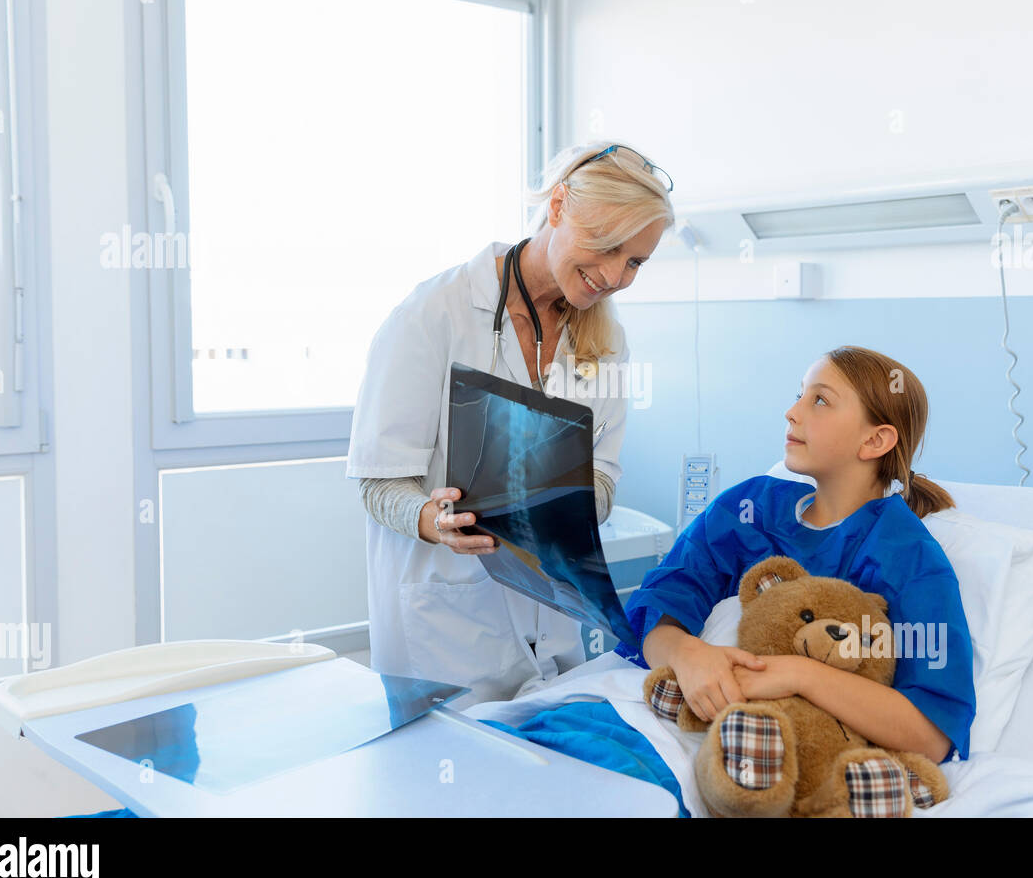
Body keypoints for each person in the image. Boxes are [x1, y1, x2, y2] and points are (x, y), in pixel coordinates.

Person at [480, 346, 977, 814]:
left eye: (820, 400)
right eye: (798, 393)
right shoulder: (750, 508)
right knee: (525, 757)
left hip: (745, 752)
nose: (793, 411)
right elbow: (659, 607)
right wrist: (687, 655)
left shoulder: (907, 555)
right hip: (647, 709)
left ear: (875, 440)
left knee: (605, 789)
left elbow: (930, 733)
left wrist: (797, 673)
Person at [345, 141, 672, 706]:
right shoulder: (433, 315)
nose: (617, 276)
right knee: (448, 784)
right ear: (560, 205)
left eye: (636, 261)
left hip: (552, 624)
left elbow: (604, 478)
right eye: (610, 246)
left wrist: (560, 511)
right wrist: (433, 519)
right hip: (447, 629)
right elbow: (378, 484)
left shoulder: (606, 340)